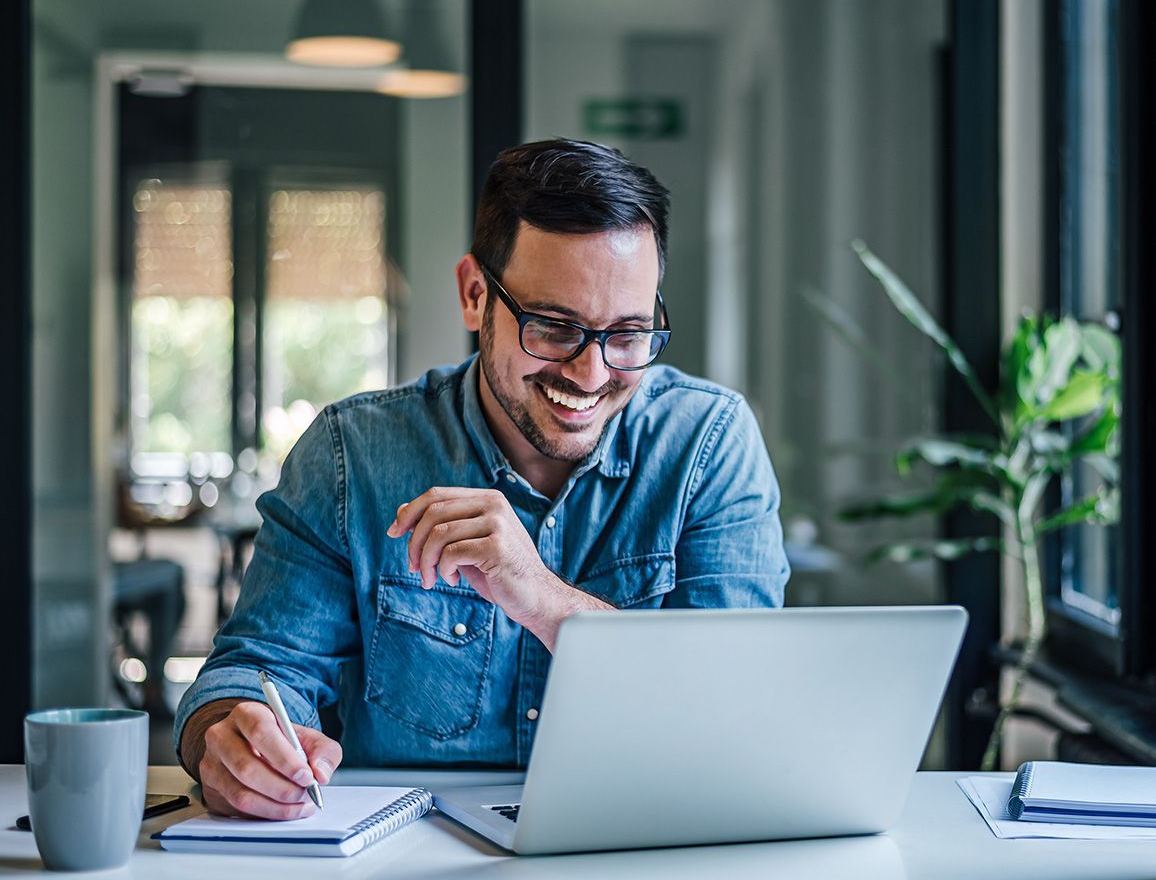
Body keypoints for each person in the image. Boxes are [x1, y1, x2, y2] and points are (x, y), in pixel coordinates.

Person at [175, 138, 790, 820]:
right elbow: (257, 668)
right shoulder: (353, 454)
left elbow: (736, 709)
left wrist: (542, 598)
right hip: (406, 872)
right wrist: (233, 739)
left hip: (640, 855)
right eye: (554, 327)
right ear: (475, 295)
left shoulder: (708, 444)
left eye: (627, 334)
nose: (590, 374)